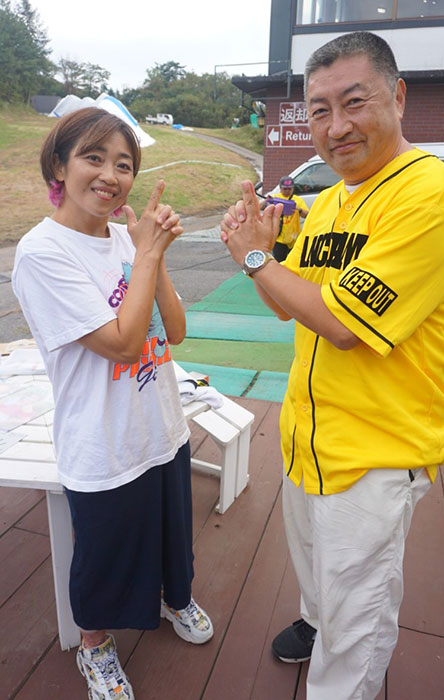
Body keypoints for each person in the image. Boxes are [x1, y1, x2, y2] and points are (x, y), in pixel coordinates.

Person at [220, 31, 444, 700]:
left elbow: (341, 325)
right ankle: (314, 618)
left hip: (377, 452)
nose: (336, 127)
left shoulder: (426, 193)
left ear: (399, 96)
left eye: (354, 102)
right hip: (311, 435)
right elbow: (288, 306)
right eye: (320, 110)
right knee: (317, 569)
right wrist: (262, 252)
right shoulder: (333, 199)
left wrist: (255, 258)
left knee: (356, 623)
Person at [12, 107, 213, 700]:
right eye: (93, 158)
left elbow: (174, 331)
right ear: (59, 165)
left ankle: (175, 597)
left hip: (161, 425)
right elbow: (123, 344)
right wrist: (145, 254)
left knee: (172, 535)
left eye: (124, 165)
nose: (110, 175)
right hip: (101, 440)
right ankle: (95, 646)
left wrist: (153, 252)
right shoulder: (42, 253)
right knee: (102, 555)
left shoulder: (127, 238)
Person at [265, 175, 308, 261]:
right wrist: (267, 201)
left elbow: (307, 215)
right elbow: (261, 207)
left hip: (294, 238)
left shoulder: (298, 200)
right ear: (280, 188)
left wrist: (299, 210)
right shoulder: (275, 198)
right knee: (279, 262)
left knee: (294, 261)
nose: (287, 191)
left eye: (290, 189)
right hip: (278, 238)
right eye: (285, 189)